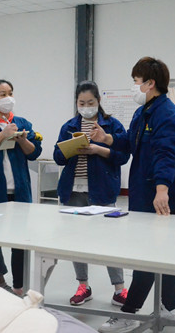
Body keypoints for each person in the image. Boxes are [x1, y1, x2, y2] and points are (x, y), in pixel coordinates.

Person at [90, 57, 175, 333]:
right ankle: (169, 306)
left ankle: (129, 312)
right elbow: (130, 142)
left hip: (164, 196)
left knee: (148, 254)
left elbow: (166, 155)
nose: (133, 86)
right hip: (147, 192)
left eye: (136, 81)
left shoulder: (166, 115)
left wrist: (162, 190)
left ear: (150, 83)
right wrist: (106, 138)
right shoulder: (144, 111)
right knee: (164, 254)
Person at [53, 81, 130, 307]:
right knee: (76, 241)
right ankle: (83, 286)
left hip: (102, 190)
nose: (86, 107)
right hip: (73, 191)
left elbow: (123, 156)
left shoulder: (112, 125)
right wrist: (70, 149)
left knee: (109, 241)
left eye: (90, 102)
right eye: (81, 103)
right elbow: (58, 157)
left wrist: (98, 149)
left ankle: (119, 289)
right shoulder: (69, 126)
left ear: (98, 101)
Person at [0, 79, 43, 296]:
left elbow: (34, 152)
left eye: (10, 93)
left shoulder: (21, 122)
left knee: (20, 239)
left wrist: (21, 139)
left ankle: (19, 286)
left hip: (19, 190)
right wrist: (2, 135)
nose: (8, 98)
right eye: (2, 94)